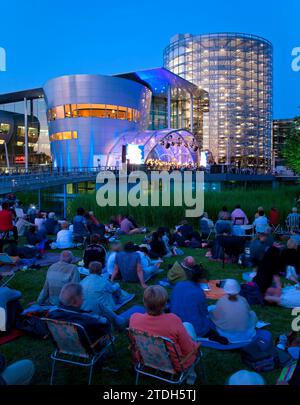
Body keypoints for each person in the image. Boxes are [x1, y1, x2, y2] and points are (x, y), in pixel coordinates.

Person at [129, 285, 200, 372]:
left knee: (185, 327)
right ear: (165, 304)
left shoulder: (134, 318)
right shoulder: (173, 320)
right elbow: (188, 349)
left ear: (144, 302)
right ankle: (190, 373)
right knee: (188, 326)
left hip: (146, 359)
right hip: (175, 365)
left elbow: (134, 344)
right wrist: (195, 346)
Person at [170, 267, 228, 344]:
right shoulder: (198, 292)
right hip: (193, 326)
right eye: (207, 279)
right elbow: (204, 312)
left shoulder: (179, 285)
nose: (207, 281)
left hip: (175, 321)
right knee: (212, 319)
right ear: (201, 279)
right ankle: (212, 336)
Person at [81, 261, 129, 329]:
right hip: (103, 308)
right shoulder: (103, 281)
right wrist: (117, 285)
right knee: (116, 288)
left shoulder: (83, 281)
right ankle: (120, 299)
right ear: (100, 270)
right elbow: (112, 289)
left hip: (85, 308)